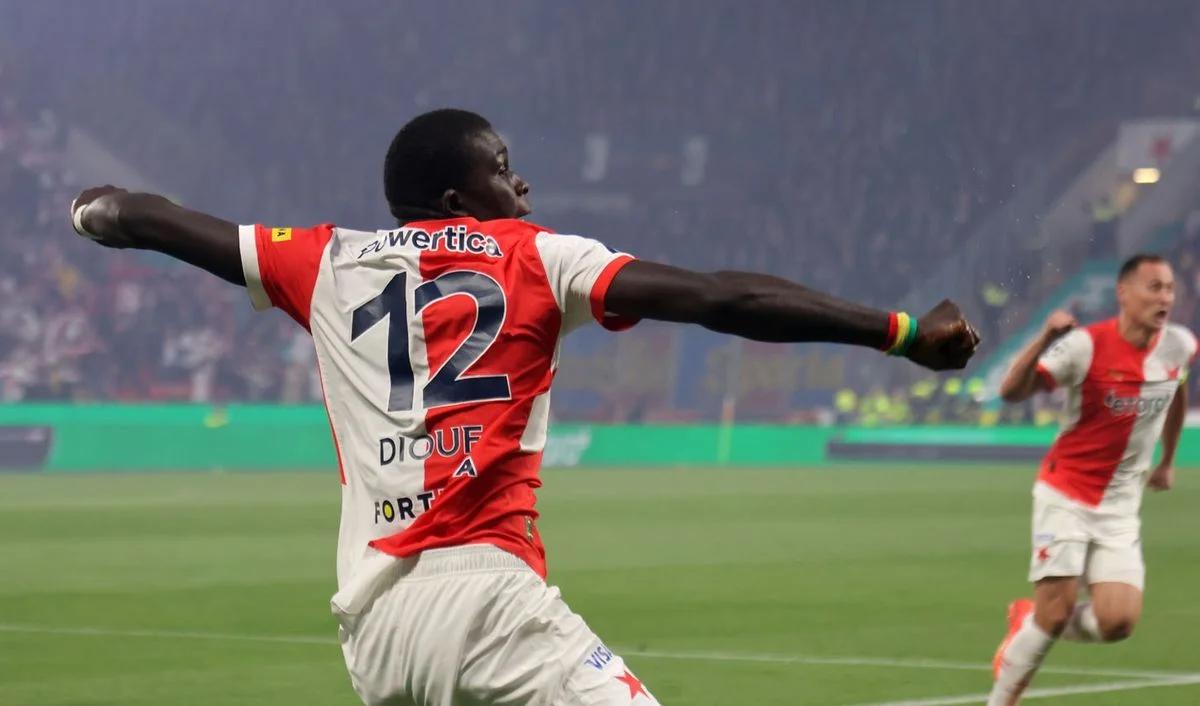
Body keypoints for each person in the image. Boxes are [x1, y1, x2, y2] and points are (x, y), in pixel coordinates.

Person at [70, 108, 980, 706]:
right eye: (506, 170)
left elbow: (149, 218)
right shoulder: (537, 254)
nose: (524, 187)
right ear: (460, 197)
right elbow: (721, 297)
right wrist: (899, 330)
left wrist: (92, 210)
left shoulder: (322, 259)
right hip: (486, 600)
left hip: (374, 630)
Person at [988, 253, 1196, 706]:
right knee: (1056, 612)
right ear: (1124, 293)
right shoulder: (1085, 346)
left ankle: (1030, 621)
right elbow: (1011, 391)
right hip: (1066, 494)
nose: (1165, 297)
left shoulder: (1179, 345)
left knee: (1117, 622)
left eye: (1169, 288)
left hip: (1120, 507)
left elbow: (1176, 390)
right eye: (1154, 287)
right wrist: (1046, 337)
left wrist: (1167, 460)